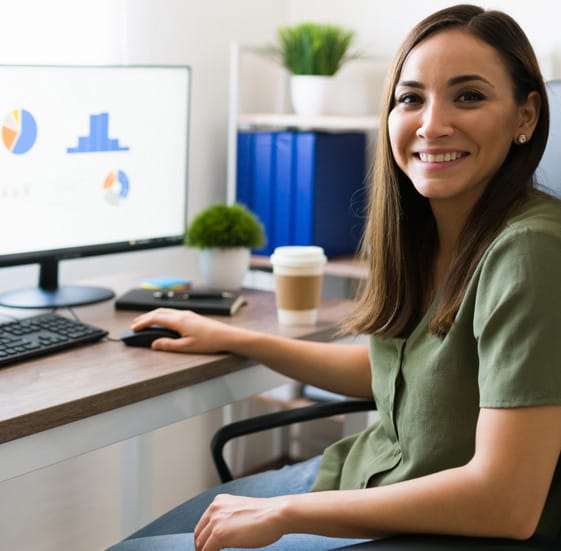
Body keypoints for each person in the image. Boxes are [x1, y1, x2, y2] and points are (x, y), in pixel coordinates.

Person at [107, 4, 561, 551]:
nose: (432, 123)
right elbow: (393, 374)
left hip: (435, 527)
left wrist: (287, 512)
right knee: (152, 535)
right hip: (364, 477)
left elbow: (506, 500)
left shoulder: (530, 251)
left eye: (469, 96)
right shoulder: (435, 231)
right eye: (411, 98)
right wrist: (234, 337)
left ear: (526, 116)